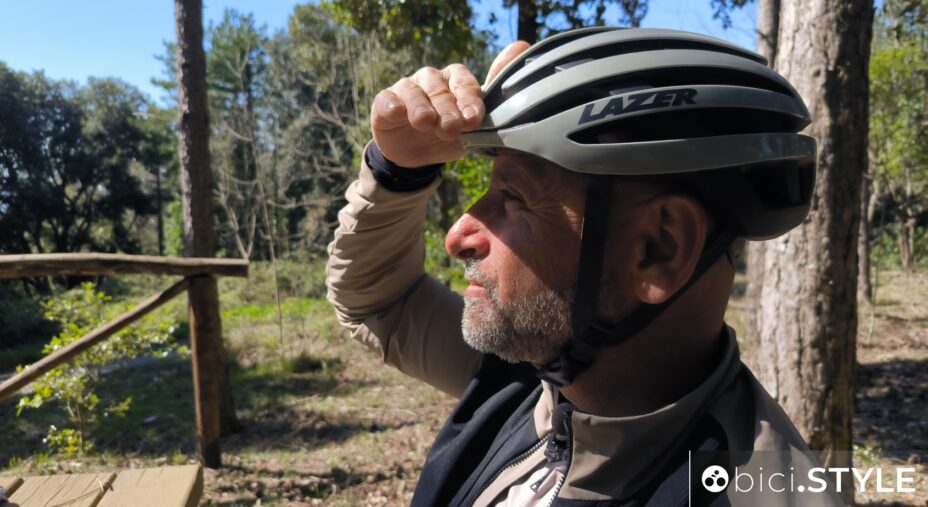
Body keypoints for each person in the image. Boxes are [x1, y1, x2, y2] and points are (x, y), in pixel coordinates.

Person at [326, 27, 841, 506]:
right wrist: (399, 173)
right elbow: (380, 302)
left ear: (657, 249)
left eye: (515, 198)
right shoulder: (529, 376)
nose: (457, 236)